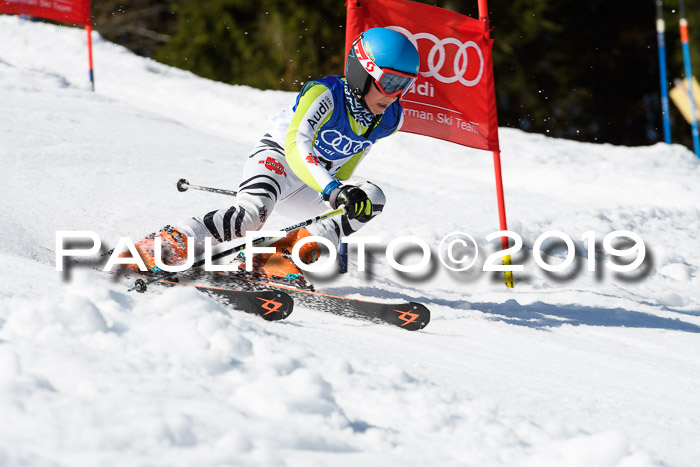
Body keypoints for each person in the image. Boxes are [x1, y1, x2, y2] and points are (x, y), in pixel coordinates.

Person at [122, 27, 420, 281]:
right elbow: (296, 145)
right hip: (277, 160)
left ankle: (275, 259)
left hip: (314, 185)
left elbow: (351, 157)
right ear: (363, 71)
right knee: (249, 218)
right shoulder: (325, 94)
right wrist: (332, 189)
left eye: (405, 84)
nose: (395, 94)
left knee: (372, 198)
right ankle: (163, 245)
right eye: (391, 82)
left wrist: (336, 204)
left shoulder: (390, 118)